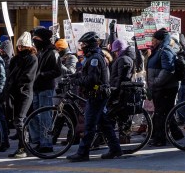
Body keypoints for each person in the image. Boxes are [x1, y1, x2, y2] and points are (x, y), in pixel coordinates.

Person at [67, 32, 122, 161]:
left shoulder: (95, 59)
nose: (82, 46)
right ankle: (115, 149)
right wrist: (73, 77)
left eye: (84, 44)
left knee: (90, 125)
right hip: (96, 94)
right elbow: (85, 74)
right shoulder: (91, 57)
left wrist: (77, 81)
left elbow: (92, 79)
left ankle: (83, 153)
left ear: (91, 44)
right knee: (104, 124)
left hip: (97, 95)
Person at [4, 32, 38, 158]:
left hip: (24, 92)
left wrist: (17, 84)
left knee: (20, 120)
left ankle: (25, 147)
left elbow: (28, 76)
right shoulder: (16, 59)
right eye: (19, 46)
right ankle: (22, 146)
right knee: (18, 120)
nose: (20, 48)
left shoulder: (32, 58)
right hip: (15, 92)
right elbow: (10, 74)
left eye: (22, 47)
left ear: (28, 47)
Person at [146, 28, 181, 147]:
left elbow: (168, 69)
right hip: (161, 87)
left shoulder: (165, 50)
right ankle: (176, 133)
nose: (152, 41)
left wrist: (156, 82)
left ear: (159, 40)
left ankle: (159, 139)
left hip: (165, 87)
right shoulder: (158, 50)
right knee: (166, 112)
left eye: (154, 39)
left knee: (160, 113)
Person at [29, 27, 61, 153]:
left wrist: (42, 75)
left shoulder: (52, 52)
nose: (34, 41)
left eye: (36, 38)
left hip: (46, 87)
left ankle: (46, 142)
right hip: (37, 87)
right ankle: (38, 139)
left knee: (45, 115)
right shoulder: (40, 51)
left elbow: (57, 71)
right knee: (35, 114)